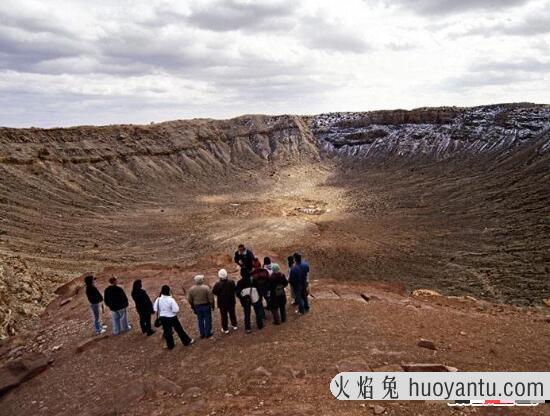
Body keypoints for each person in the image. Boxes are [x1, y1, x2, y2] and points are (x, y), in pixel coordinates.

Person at [153, 285, 194, 350]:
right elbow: (176, 309)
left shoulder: (158, 299)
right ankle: (186, 341)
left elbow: (155, 309)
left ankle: (170, 345)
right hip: (172, 317)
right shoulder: (171, 300)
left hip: (163, 318)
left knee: (167, 332)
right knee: (179, 330)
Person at [235, 269, 263, 333]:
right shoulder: (253, 280)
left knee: (247, 313)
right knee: (257, 311)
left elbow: (237, 293)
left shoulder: (240, 282)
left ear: (241, 274)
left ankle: (248, 328)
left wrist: (242, 297)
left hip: (246, 299)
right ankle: (260, 325)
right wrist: (260, 297)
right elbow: (259, 289)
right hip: (255, 297)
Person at [212, 269, 238, 334]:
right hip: (231, 301)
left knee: (224, 316)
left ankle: (225, 329)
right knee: (232, 313)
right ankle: (234, 325)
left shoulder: (218, 284)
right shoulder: (231, 282)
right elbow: (235, 289)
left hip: (222, 303)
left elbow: (214, 292)